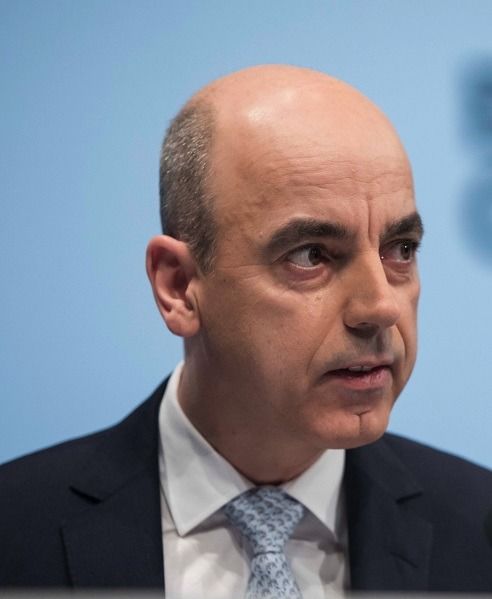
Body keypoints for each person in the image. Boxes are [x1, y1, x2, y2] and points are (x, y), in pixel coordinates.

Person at [1, 65, 492, 597]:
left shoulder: (478, 530)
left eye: (400, 250)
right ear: (178, 286)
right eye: (311, 256)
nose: (381, 307)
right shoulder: (17, 532)